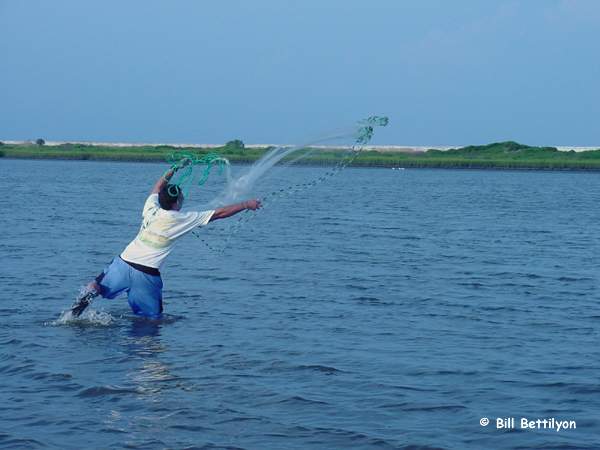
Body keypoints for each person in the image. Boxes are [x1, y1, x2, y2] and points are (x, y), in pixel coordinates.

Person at [71, 161, 261, 318]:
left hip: (122, 263)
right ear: (177, 202)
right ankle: (145, 358)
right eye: (181, 196)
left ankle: (77, 308)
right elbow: (219, 214)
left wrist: (174, 169)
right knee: (152, 321)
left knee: (98, 285)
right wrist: (246, 204)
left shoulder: (151, 207)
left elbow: (158, 187)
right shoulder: (179, 218)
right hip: (145, 275)